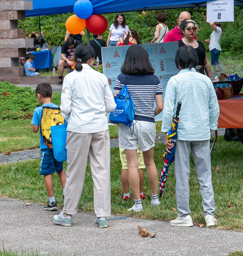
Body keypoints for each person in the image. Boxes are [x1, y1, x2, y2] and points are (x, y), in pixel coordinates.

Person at [53, 44, 116, 228]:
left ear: (76, 58)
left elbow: (65, 108)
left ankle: (68, 214)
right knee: (102, 171)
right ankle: (102, 216)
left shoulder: (70, 78)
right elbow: (111, 106)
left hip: (78, 127)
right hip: (99, 127)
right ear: (92, 59)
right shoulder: (101, 77)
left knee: (75, 171)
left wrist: (72, 117)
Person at [162, 46, 219, 227]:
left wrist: (166, 134)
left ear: (178, 63)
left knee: (182, 174)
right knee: (205, 174)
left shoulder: (175, 81)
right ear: (197, 61)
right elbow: (214, 107)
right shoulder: (205, 80)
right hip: (202, 131)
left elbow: (169, 110)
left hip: (181, 133)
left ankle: (184, 215)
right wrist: (212, 127)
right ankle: (209, 214)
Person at [115, 45, 163, 212]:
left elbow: (116, 101)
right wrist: (150, 114)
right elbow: (160, 106)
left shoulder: (122, 79)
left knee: (132, 164)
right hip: (148, 122)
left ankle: (137, 204)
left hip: (128, 123)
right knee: (149, 162)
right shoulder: (154, 79)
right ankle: (155, 199)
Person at [31, 83, 67, 211]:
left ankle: (52, 202)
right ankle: (67, 195)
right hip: (58, 146)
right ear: (52, 95)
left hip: (46, 147)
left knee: (48, 173)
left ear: (38, 96)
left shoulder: (38, 110)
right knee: (60, 170)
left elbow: (35, 129)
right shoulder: (59, 109)